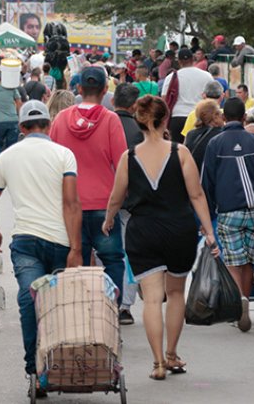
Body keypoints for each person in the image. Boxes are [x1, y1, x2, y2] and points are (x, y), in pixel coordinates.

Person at [103, 95, 219, 380]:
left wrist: (108, 220)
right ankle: (172, 354)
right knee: (176, 293)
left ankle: (156, 364)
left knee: (152, 299)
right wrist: (209, 230)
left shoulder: (128, 158)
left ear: (140, 120)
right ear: (165, 119)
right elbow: (196, 194)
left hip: (142, 231)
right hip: (178, 229)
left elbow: (117, 197)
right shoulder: (180, 153)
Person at [0, 100, 81, 398]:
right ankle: (63, 363)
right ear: (49, 126)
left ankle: (34, 370)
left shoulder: (8, 157)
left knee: (29, 300)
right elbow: (71, 203)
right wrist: (76, 248)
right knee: (62, 305)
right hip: (61, 241)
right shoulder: (64, 154)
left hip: (25, 241)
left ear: (21, 128)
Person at [201, 97, 254, 332]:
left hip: (230, 212)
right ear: (244, 118)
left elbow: (207, 183)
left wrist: (205, 219)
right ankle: (245, 298)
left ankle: (239, 304)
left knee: (233, 261)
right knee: (249, 259)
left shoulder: (215, 144)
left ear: (223, 118)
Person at [50, 67, 128, 298]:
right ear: (105, 90)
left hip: (70, 203)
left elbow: (53, 162)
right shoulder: (111, 120)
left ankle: (81, 310)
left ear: (79, 89)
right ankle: (111, 309)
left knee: (76, 258)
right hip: (105, 204)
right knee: (113, 259)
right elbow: (122, 163)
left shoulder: (61, 119)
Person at [111, 83, 144, 325]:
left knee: (103, 252)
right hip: (132, 200)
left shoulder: (102, 124)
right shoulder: (139, 130)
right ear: (134, 106)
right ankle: (125, 306)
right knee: (129, 253)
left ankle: (105, 298)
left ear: (113, 101)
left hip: (103, 197)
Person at [161, 48, 214, 143]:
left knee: (176, 151)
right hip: (199, 117)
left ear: (179, 61)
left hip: (177, 118)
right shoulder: (206, 76)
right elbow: (212, 97)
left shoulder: (171, 77)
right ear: (193, 59)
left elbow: (164, 100)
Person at [0, 69, 22, 159]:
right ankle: (9, 164)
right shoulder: (11, 88)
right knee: (12, 146)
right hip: (13, 121)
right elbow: (19, 102)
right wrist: (19, 116)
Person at [183, 99, 225, 171]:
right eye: (220, 113)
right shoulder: (221, 134)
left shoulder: (190, 134)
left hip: (194, 176)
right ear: (215, 116)